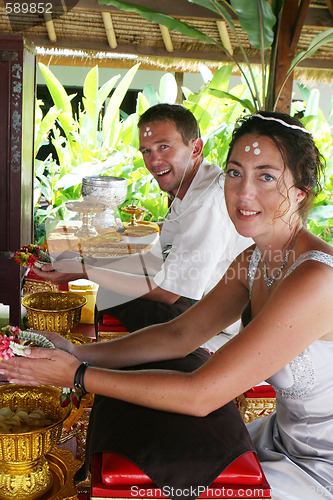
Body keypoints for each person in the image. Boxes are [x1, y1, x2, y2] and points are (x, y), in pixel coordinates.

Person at [2, 111, 333, 500]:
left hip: (319, 465)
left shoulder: (316, 280)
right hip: (280, 436)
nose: (244, 193)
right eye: (234, 172)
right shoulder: (253, 260)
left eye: (265, 176)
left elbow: (201, 394)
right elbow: (179, 333)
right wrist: (79, 350)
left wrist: (79, 374)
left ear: (300, 190)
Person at [34, 104, 251, 349]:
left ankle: (89, 366)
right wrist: (87, 259)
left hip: (219, 316)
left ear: (195, 148)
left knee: (117, 297)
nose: (154, 161)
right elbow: (154, 259)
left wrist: (85, 270)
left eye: (164, 147)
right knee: (111, 293)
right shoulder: (189, 187)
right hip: (194, 297)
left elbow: (169, 292)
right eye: (146, 151)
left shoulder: (207, 200)